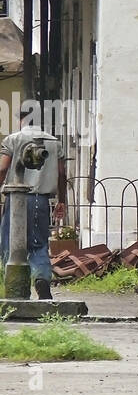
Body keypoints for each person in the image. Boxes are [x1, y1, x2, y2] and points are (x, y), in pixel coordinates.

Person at [0, 104, 67, 301]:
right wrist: (62, 200)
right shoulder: (54, 143)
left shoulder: (13, 139)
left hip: (16, 201)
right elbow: (62, 174)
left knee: (10, 245)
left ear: (22, 118)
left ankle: (14, 287)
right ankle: (42, 278)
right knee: (38, 244)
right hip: (41, 200)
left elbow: (3, 169)